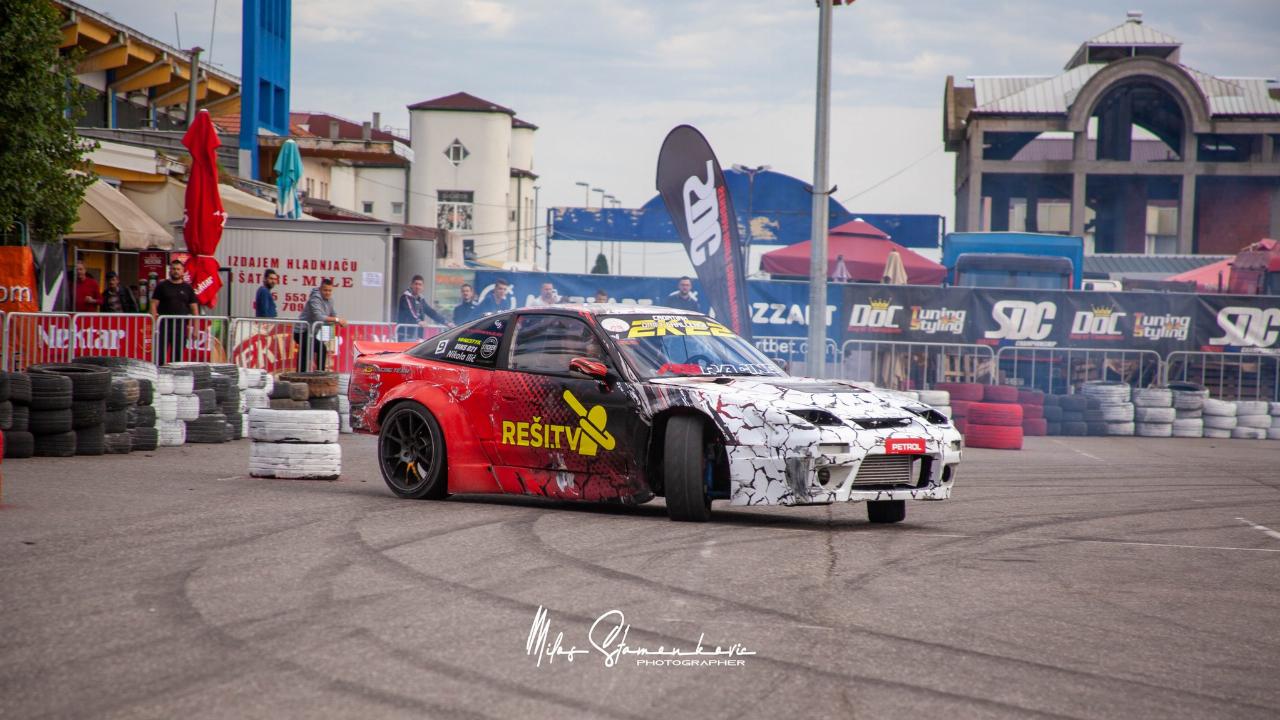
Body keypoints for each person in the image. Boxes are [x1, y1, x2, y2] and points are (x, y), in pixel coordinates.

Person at [150, 259, 199, 364]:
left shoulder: (188, 288)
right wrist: (154, 322)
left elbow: (194, 309)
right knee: (160, 355)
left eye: (178, 269)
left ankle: (176, 374)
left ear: (183, 271)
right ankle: (159, 373)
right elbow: (153, 304)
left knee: (178, 357)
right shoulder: (162, 286)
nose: (176, 271)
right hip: (163, 325)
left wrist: (196, 329)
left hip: (180, 326)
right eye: (173, 269)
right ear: (170, 271)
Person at [296, 278, 346, 371]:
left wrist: (340, 322)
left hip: (311, 332)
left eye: (330, 290)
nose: (327, 293)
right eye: (325, 290)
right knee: (320, 349)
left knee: (306, 352)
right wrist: (337, 320)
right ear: (320, 289)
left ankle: (302, 374)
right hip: (301, 331)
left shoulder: (330, 300)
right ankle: (318, 373)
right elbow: (318, 317)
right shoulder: (315, 298)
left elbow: (333, 314)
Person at [397, 274, 449, 340]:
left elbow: (431, 312)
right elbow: (410, 312)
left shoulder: (421, 299)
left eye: (420, 285)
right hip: (405, 335)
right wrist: (418, 321)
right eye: (416, 284)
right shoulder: (405, 297)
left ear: (423, 287)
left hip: (417, 335)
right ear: (411, 285)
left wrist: (446, 322)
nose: (417, 287)